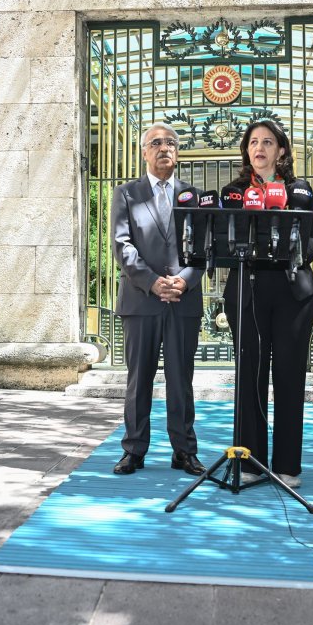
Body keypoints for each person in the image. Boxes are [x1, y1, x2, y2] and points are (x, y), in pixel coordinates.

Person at [223, 119, 313, 488]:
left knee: (288, 376)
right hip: (247, 291)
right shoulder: (234, 192)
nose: (260, 148)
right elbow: (222, 239)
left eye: (268, 142)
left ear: (281, 150)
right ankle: (251, 463)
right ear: (247, 151)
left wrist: (297, 252)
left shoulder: (300, 191)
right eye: (253, 142)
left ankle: (287, 466)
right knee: (250, 376)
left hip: (293, 293)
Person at [109, 122, 205, 476]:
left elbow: (204, 248)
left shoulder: (194, 196)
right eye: (156, 143)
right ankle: (134, 451)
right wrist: (152, 283)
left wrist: (184, 280)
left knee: (181, 381)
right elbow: (122, 245)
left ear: (177, 152)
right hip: (140, 301)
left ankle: (184, 451)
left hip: (183, 301)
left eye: (171, 143)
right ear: (144, 152)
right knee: (139, 380)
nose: (164, 148)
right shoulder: (126, 194)